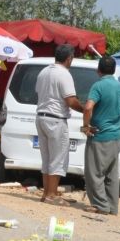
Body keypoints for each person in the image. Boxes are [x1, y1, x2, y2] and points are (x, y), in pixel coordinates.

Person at [36, 44, 85, 205]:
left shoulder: (44, 72)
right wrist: (85, 109)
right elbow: (70, 101)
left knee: (47, 158)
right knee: (58, 159)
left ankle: (47, 193)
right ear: (69, 58)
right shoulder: (64, 74)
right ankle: (52, 195)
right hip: (56, 119)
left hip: (41, 117)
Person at [82, 56, 120, 215]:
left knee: (94, 173)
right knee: (111, 174)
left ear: (98, 70)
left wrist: (86, 126)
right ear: (113, 70)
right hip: (116, 136)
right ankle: (112, 207)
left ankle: (100, 205)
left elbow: (88, 107)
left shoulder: (98, 86)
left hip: (100, 136)